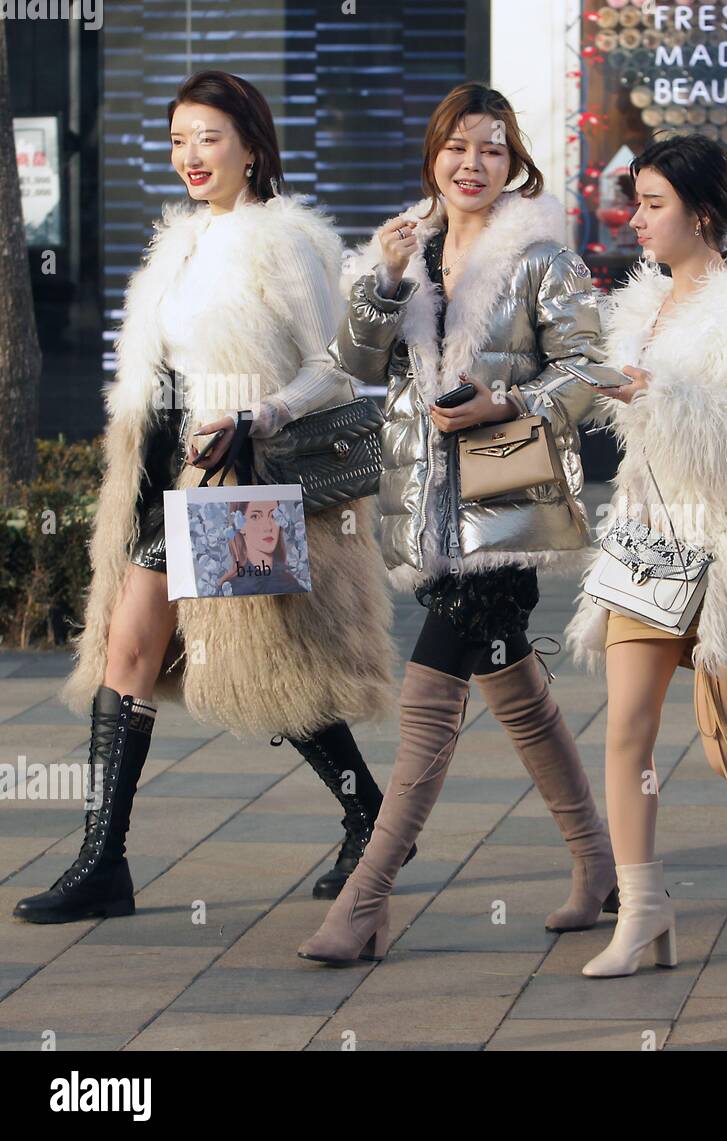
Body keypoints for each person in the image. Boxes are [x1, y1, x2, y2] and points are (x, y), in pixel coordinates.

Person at [17, 71, 397, 925]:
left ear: (253, 147)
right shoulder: (179, 242)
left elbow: (337, 363)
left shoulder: (283, 239)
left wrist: (259, 412)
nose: (190, 156)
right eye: (179, 139)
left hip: (241, 471)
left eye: (209, 138)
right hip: (163, 470)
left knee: (270, 663)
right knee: (128, 653)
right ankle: (103, 862)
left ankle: (370, 811)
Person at [298, 83, 614, 965]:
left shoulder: (542, 256)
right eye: (458, 147)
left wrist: (501, 399)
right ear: (433, 154)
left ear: (515, 163)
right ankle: (600, 868)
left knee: (427, 700)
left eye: (493, 149)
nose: (473, 164)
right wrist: (386, 280)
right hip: (424, 512)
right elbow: (354, 362)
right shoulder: (409, 245)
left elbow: (591, 372)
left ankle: (366, 900)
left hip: (505, 513)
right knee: (516, 693)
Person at [565, 135, 727, 979]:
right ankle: (643, 912)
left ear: (702, 214)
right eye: (634, 202)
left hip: (723, 546)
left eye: (652, 204)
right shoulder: (639, 304)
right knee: (626, 733)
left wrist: (660, 394)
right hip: (646, 536)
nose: (634, 219)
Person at [215, 500, 308, 596]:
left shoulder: (292, 585)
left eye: (273, 515)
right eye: (255, 517)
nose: (268, 527)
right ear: (240, 525)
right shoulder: (229, 589)